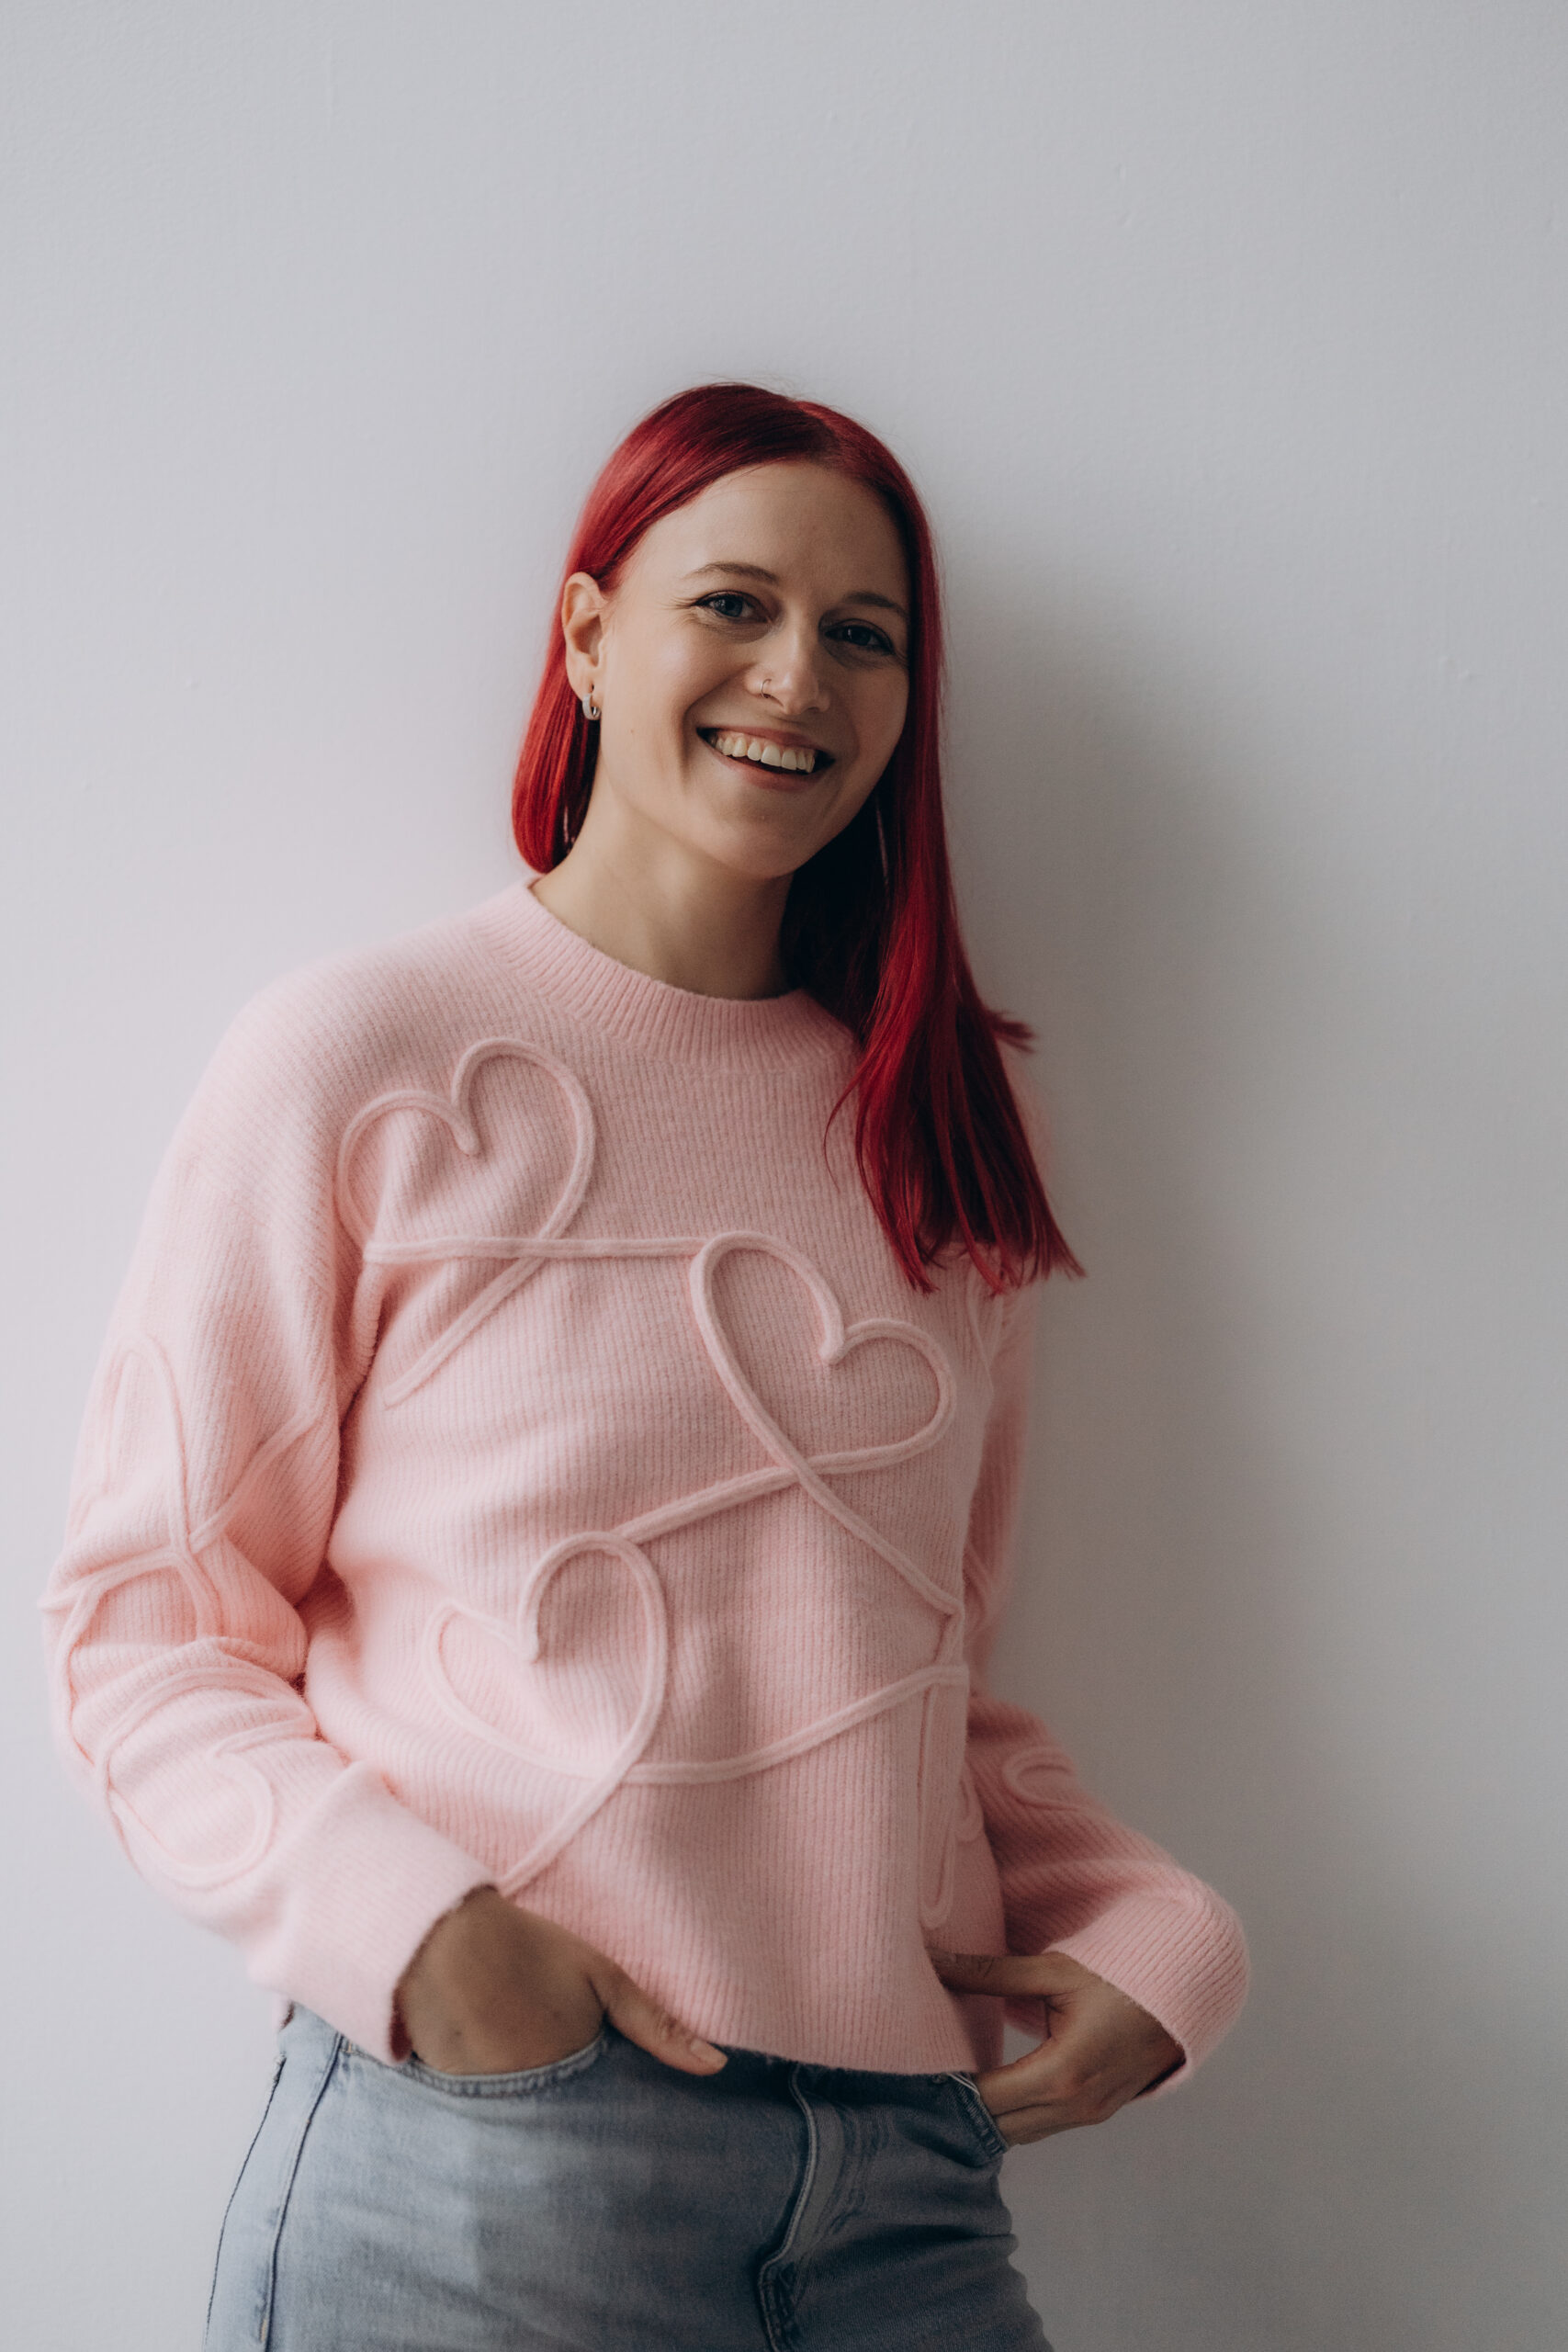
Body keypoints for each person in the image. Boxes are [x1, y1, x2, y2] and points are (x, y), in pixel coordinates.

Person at [42, 382, 1248, 2351]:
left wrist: (1150, 1927)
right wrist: (425, 1940)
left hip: (905, 2172)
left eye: (864, 634)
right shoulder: (360, 1060)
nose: (799, 676)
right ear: (592, 638)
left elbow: (906, 1679)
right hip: (495, 2160)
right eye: (735, 604)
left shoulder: (933, 1135)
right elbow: (145, 1625)